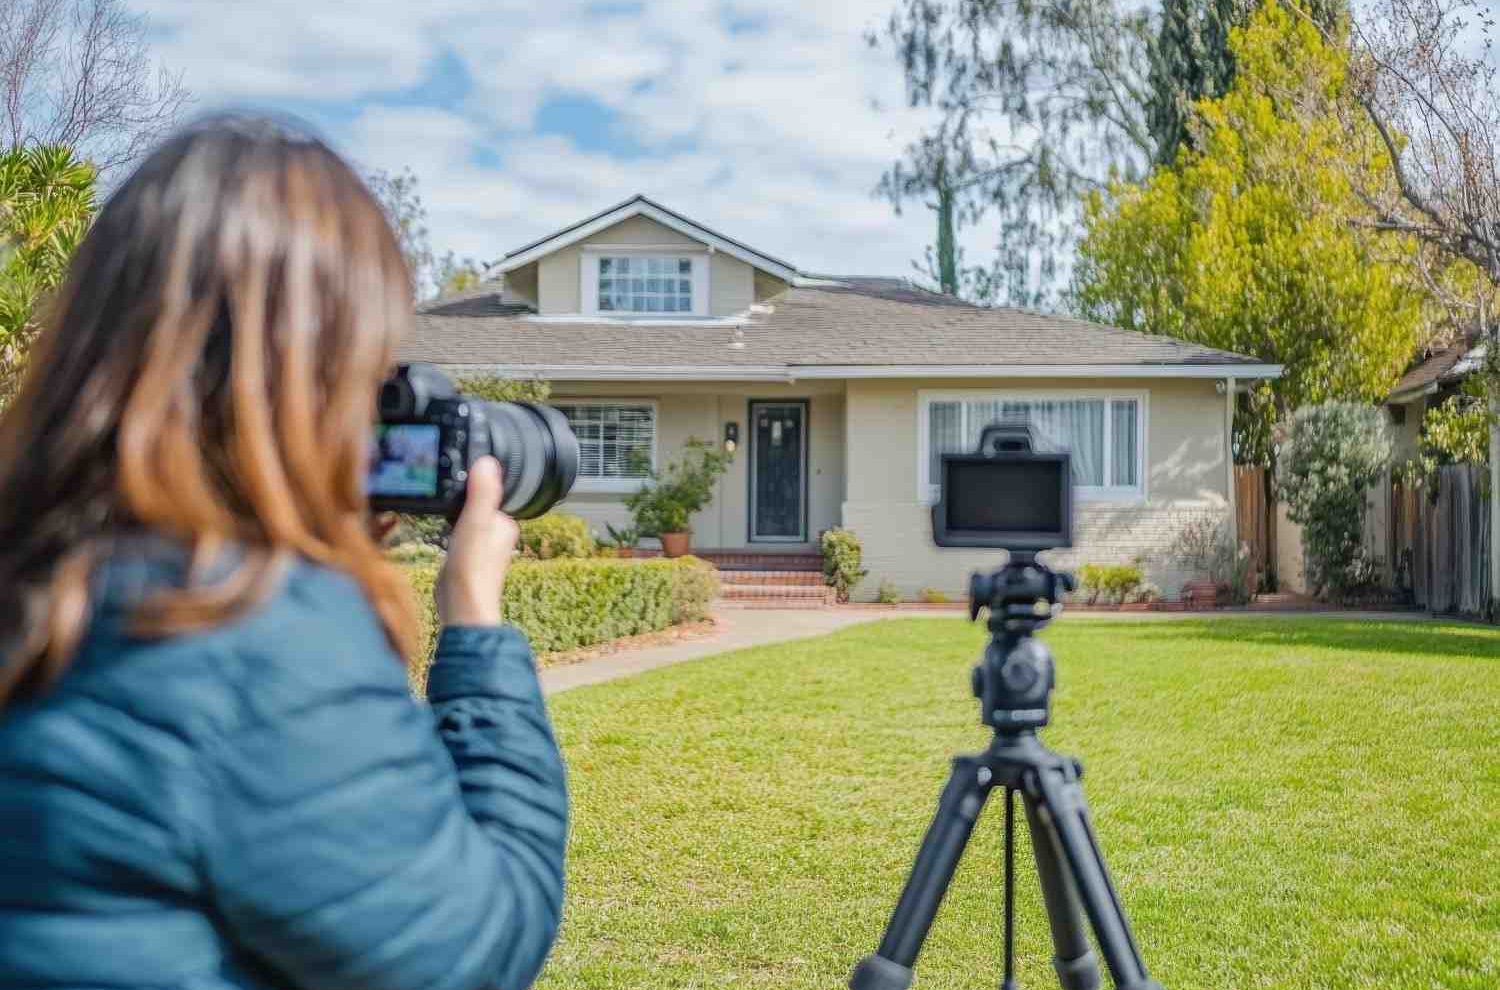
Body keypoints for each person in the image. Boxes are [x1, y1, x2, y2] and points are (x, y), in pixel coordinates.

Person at [0, 116, 568, 990]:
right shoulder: (242, 633)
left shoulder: (40, 565)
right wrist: (476, 625)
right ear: (313, 373)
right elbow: (480, 949)